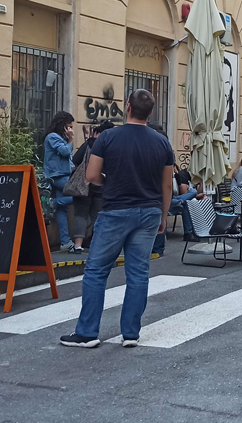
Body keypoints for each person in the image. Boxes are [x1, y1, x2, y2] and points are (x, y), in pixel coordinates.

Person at [61, 89, 173, 349]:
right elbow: (167, 185)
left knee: (96, 271)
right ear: (150, 112)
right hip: (149, 211)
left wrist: (108, 182)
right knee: (138, 273)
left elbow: (91, 176)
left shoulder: (108, 137)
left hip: (115, 211)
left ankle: (87, 332)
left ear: (128, 107)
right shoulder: (162, 143)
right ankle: (130, 333)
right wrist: (163, 216)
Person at [71, 121, 112, 255]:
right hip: (102, 184)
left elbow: (75, 160)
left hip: (84, 183)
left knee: (81, 214)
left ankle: (78, 245)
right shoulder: (113, 145)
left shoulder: (90, 144)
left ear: (98, 133)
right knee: (97, 215)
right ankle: (95, 243)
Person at [44, 111, 76, 252]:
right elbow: (64, 152)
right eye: (69, 126)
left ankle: (65, 242)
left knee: (63, 210)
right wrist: (71, 139)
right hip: (58, 176)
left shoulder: (60, 138)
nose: (71, 129)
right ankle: (53, 203)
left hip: (62, 174)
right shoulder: (52, 137)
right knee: (79, 196)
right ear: (62, 125)